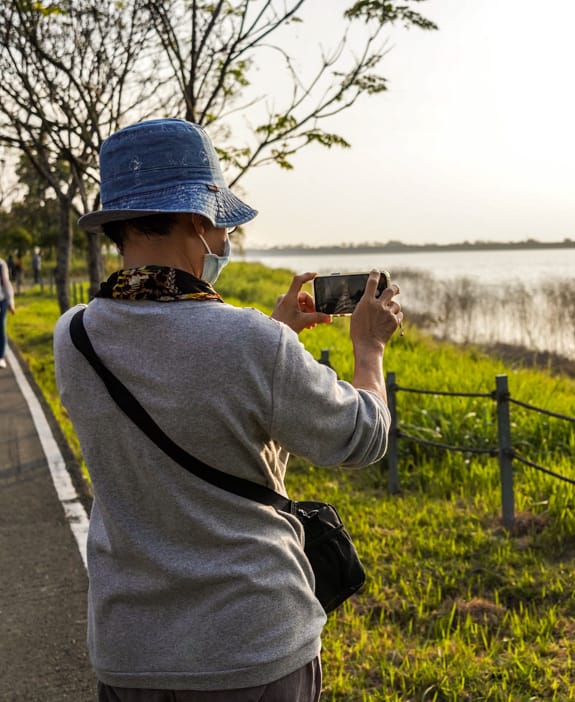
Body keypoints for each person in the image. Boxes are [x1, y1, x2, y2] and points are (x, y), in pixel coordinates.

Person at [52, 118, 403, 701]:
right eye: (218, 223)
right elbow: (363, 436)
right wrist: (369, 348)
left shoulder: (74, 338)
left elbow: (185, 375)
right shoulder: (248, 344)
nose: (223, 238)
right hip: (251, 649)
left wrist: (275, 333)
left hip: (129, 652)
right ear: (197, 219)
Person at [0, 255, 15, 369]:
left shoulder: (1, 264)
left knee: (1, 328)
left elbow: (6, 283)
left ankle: (1, 357)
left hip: (1, 300)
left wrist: (11, 302)